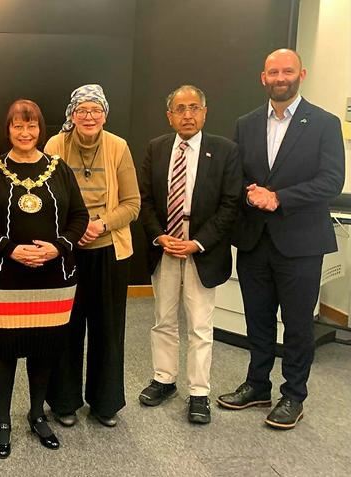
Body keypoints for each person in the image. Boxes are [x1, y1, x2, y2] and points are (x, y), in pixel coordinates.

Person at [217, 49, 345, 429]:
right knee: (257, 320)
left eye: (287, 71)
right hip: (255, 241)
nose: (280, 77)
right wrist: (250, 194)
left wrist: (279, 198)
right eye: (273, 72)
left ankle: (293, 395)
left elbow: (331, 181)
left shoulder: (324, 123)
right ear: (263, 78)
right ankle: (258, 385)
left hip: (301, 244)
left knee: (297, 324)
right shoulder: (246, 123)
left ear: (301, 75)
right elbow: (235, 175)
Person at [0, 99, 87, 458]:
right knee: (5, 351)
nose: (25, 132)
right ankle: (3, 420)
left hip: (53, 278)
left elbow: (80, 217)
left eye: (32, 125)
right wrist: (9, 249)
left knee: (44, 350)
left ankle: (37, 414)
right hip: (5, 278)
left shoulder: (59, 168)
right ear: (8, 129)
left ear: (41, 128)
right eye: (18, 126)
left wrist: (58, 248)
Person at [137, 85, 242, 424]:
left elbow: (230, 205)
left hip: (202, 251)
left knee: (199, 325)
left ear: (205, 113)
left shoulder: (225, 151)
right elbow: (144, 199)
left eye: (194, 107)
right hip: (165, 248)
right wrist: (159, 236)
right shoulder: (156, 148)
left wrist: (197, 243)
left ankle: (199, 392)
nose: (187, 115)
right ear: (169, 116)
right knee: (163, 320)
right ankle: (164, 379)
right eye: (180, 109)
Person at [44, 84, 140, 427]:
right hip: (67, 252)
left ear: (105, 115)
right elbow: (45, 199)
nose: (89, 116)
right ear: (72, 114)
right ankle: (64, 401)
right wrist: (74, 228)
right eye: (82, 110)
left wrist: (100, 225)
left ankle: (105, 402)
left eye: (96, 110)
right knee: (65, 328)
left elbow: (132, 204)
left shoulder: (118, 146)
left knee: (107, 330)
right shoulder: (55, 145)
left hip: (108, 251)